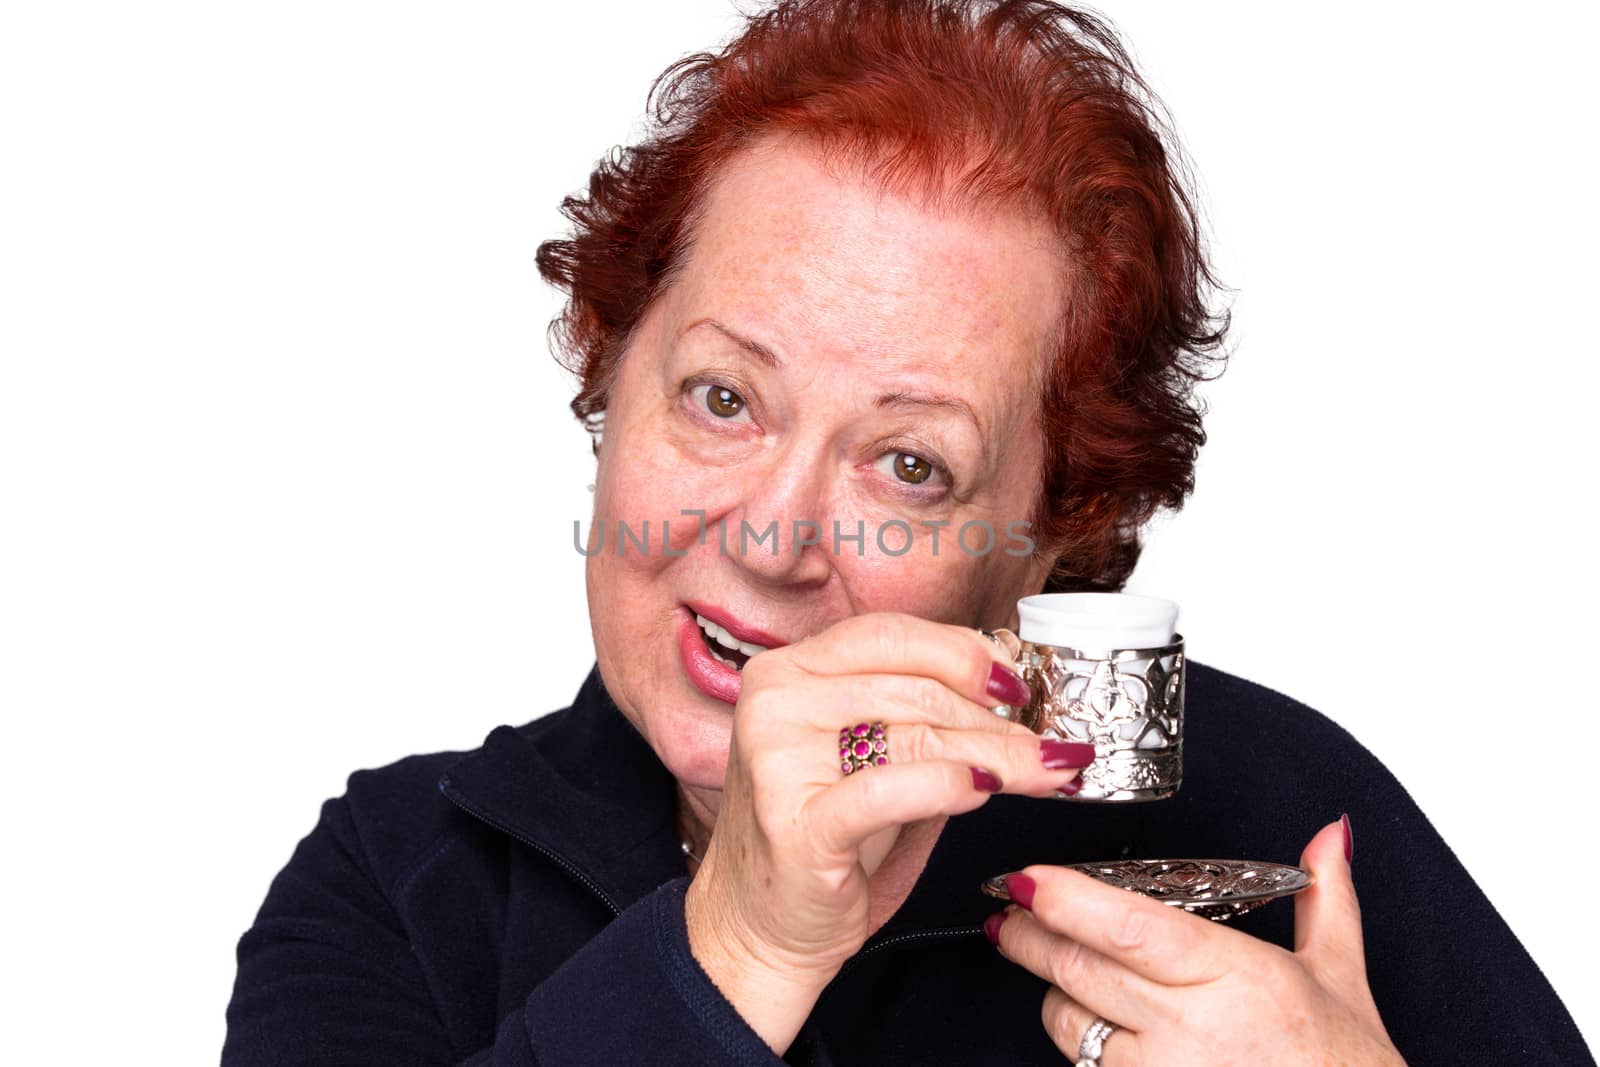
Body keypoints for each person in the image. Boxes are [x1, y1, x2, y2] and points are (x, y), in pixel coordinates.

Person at [223, 1, 1591, 1063]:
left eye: (909, 465)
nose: (771, 536)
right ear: (606, 370)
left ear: (1061, 530)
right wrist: (737, 951)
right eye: (720, 396)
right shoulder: (402, 875)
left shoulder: (1275, 819)